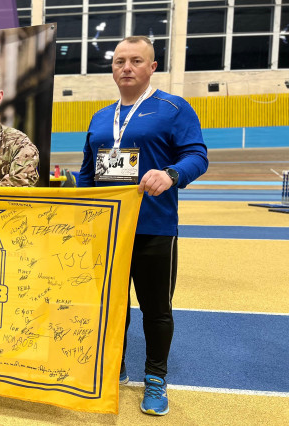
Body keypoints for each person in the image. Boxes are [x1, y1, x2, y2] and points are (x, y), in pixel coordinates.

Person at [78, 36, 208, 416]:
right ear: (112, 68)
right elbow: (87, 172)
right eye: (119, 61)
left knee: (155, 309)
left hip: (154, 229)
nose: (126, 67)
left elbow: (197, 156)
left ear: (152, 67)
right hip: (108, 232)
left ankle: (155, 377)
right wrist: (78, 211)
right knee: (110, 305)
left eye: (136, 60)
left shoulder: (174, 108)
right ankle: (113, 365)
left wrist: (171, 174)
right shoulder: (100, 117)